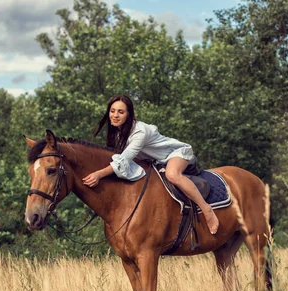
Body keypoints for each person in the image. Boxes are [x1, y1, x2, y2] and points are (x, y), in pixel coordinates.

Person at [82, 94, 219, 235]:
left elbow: (123, 160)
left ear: (129, 114)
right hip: (157, 162)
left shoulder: (140, 131)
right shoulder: (118, 133)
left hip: (176, 154)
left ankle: (207, 209)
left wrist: (98, 174)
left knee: (172, 175)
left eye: (120, 112)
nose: (115, 115)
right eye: (112, 111)